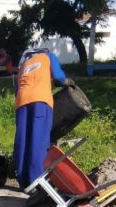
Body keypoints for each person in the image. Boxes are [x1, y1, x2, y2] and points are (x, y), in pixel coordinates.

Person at [13, 48, 74, 190]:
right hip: (40, 101)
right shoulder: (48, 56)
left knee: (23, 140)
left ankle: (23, 180)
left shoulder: (24, 65)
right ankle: (36, 181)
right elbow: (59, 77)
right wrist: (69, 82)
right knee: (38, 140)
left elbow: (17, 89)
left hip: (21, 102)